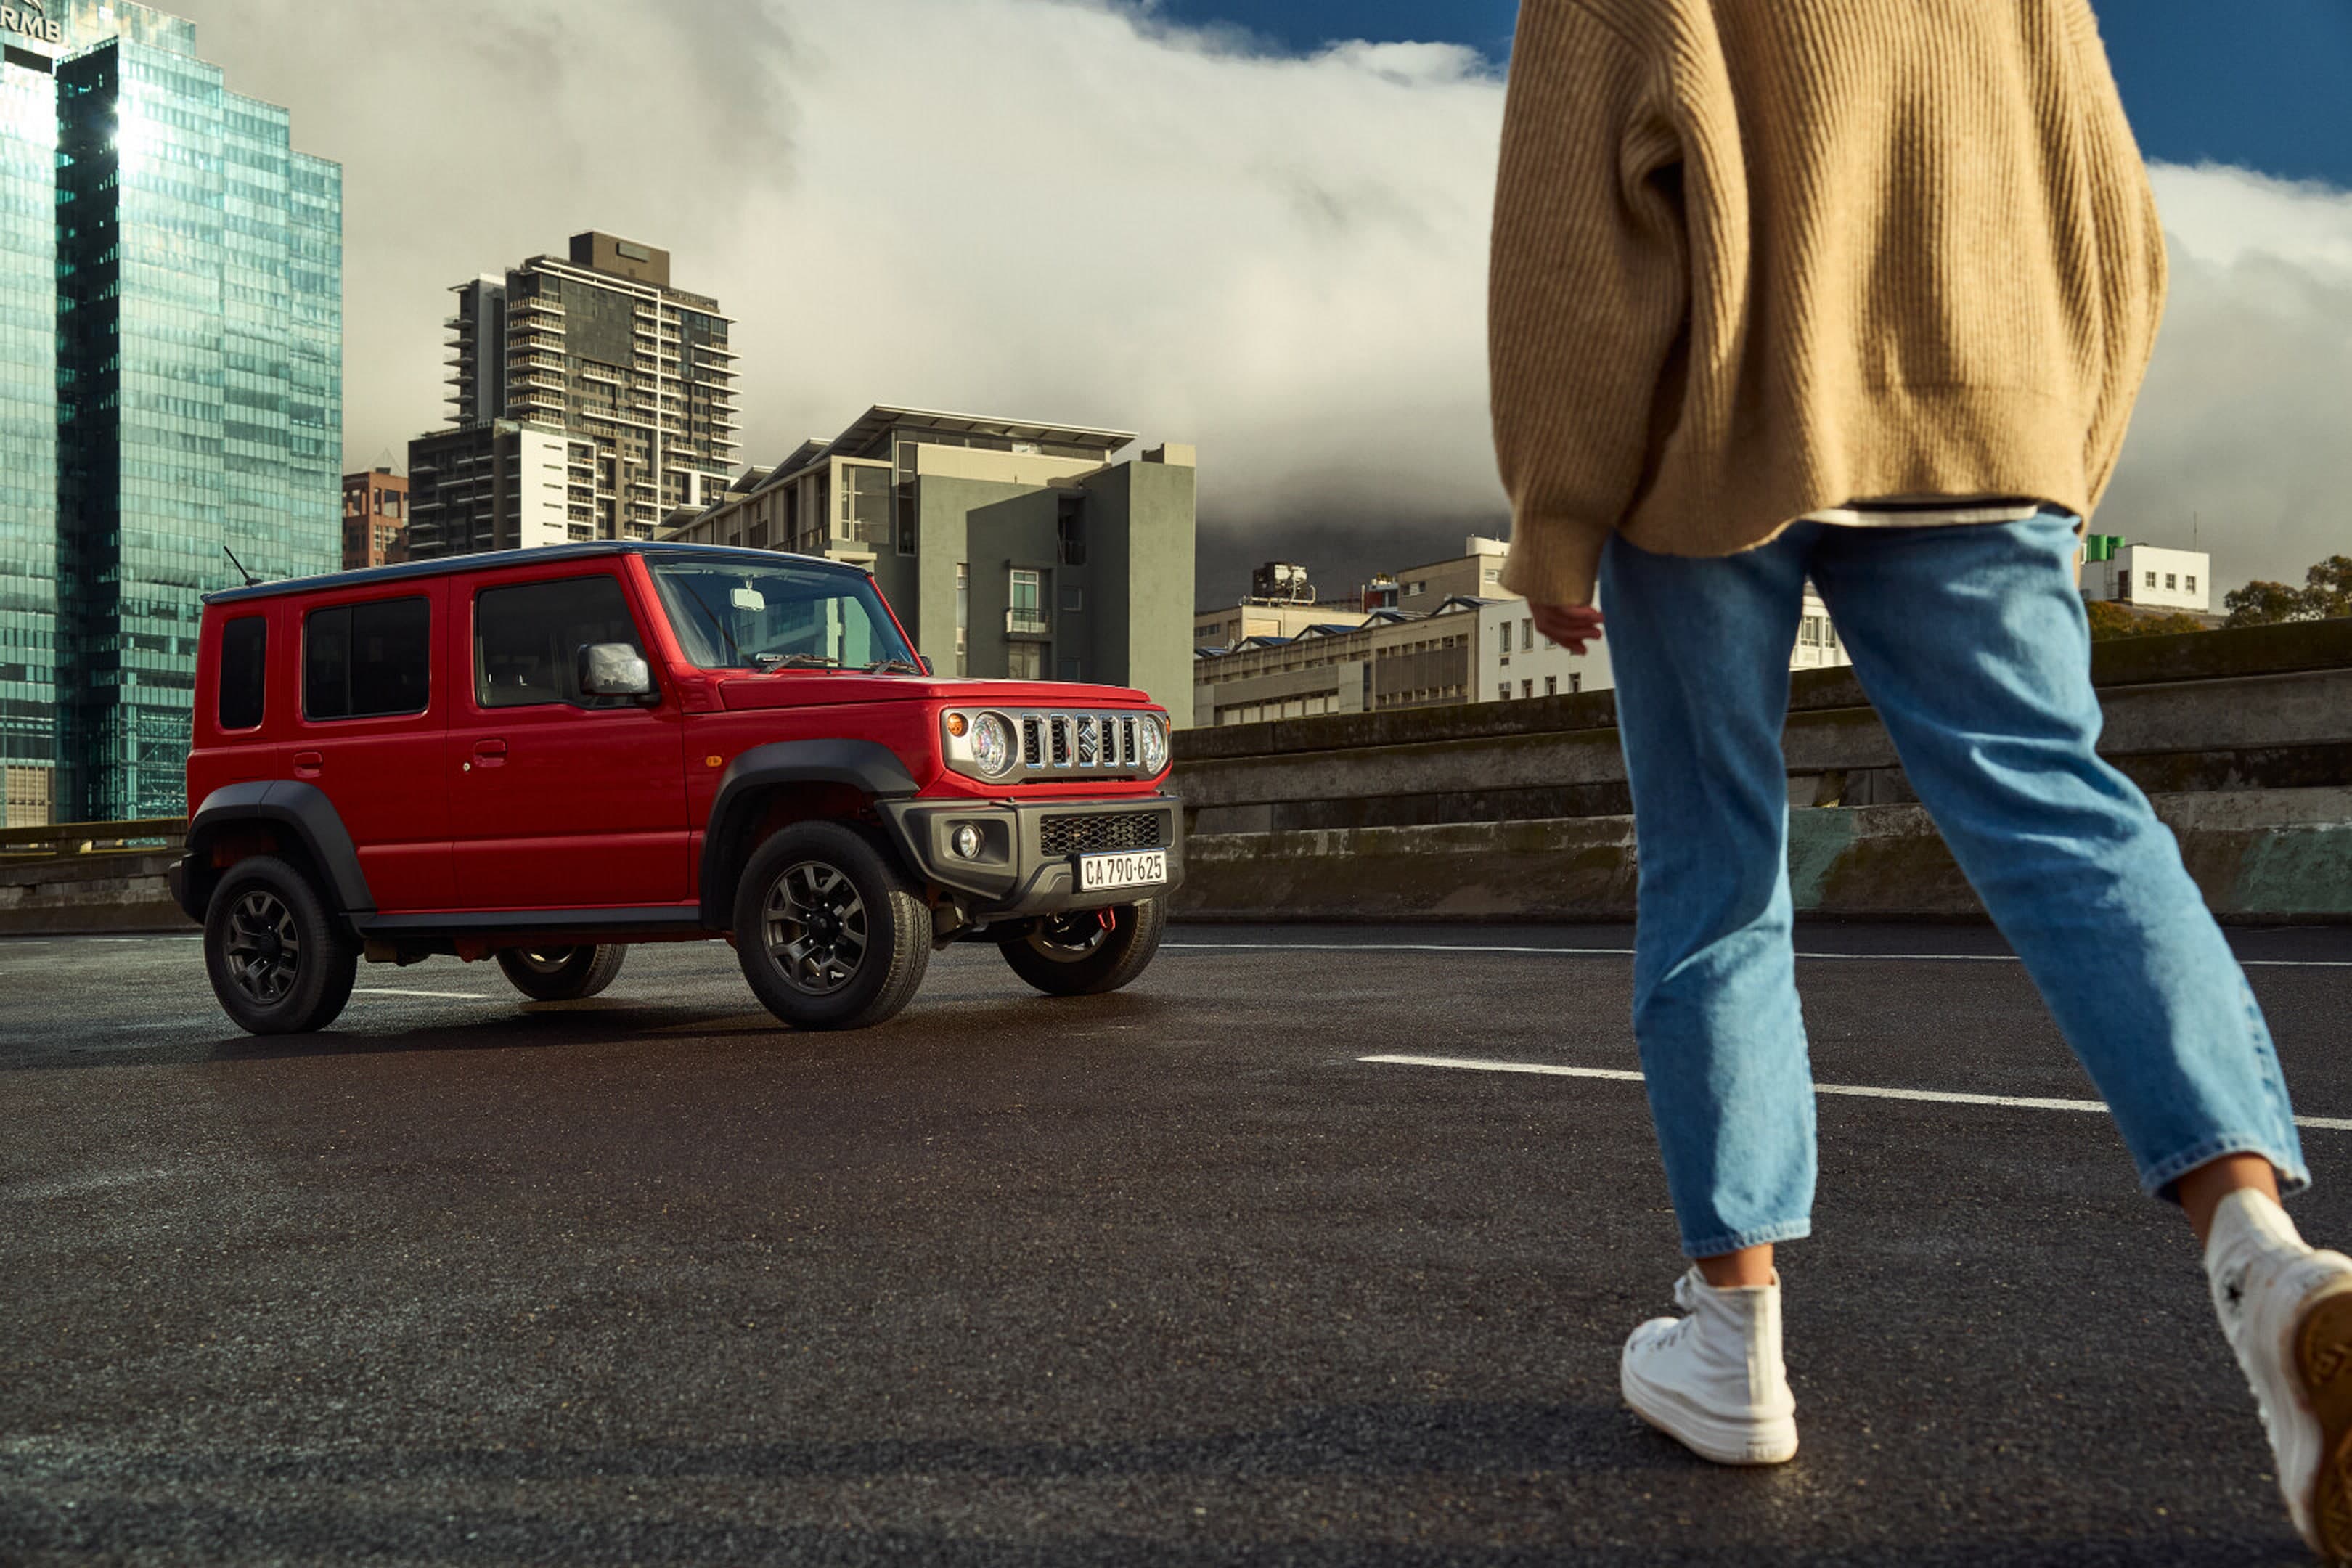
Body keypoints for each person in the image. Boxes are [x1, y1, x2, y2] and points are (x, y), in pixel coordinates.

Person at [1486, 1, 2352, 1556]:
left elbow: (1577, 231)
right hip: (1988, 430)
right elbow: (2111, 215)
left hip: (1710, 442)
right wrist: (2055, 452)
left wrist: (1558, 508)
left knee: (1716, 866)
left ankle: (1734, 1343)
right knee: (2065, 814)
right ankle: (2258, 1248)